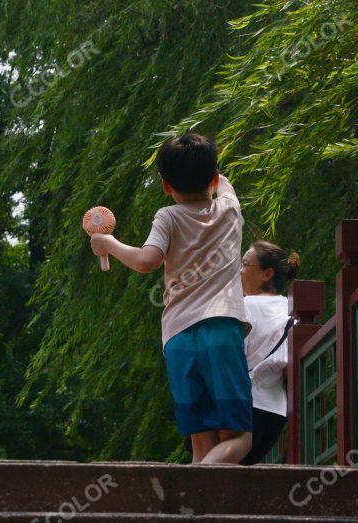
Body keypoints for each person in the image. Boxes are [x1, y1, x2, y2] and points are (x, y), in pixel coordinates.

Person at [89, 133, 252, 465]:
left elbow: (147, 261)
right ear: (214, 178)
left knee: (202, 443)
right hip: (221, 330)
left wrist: (108, 243)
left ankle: (194, 497)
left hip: (178, 338)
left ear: (165, 186)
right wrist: (209, 169)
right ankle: (199, 483)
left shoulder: (168, 217)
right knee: (239, 438)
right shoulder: (231, 209)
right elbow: (223, 183)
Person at [183, 240, 299, 464]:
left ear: (267, 274)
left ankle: (184, 493)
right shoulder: (291, 312)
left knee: (203, 465)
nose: (238, 270)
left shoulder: (240, 308)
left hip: (235, 405)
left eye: (244, 264)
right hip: (270, 416)